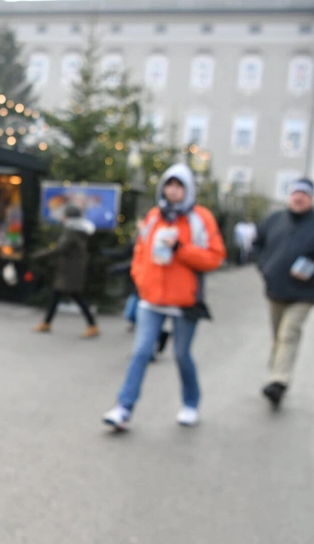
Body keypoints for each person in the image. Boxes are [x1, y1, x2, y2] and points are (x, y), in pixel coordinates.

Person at [103, 164, 225, 430]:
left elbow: (215, 257)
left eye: (179, 185)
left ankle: (191, 403)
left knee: (182, 355)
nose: (173, 190)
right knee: (141, 352)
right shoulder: (153, 216)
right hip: (152, 298)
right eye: (169, 184)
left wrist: (181, 249)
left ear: (188, 188)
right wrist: (140, 278)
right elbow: (140, 251)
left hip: (184, 301)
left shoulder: (200, 218)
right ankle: (123, 407)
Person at [254, 178, 314, 407]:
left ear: (311, 199)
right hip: (275, 289)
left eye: (304, 194)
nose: (299, 198)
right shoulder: (274, 220)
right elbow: (257, 244)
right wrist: (265, 266)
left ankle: (279, 380)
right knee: (278, 336)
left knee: (289, 333)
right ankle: (275, 373)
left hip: (304, 292)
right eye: (295, 193)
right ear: (289, 196)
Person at [32, 205, 100, 338]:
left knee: (76, 297)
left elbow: (61, 249)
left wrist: (40, 254)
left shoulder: (72, 231)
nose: (63, 217)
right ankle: (46, 323)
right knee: (56, 296)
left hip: (70, 271)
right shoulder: (79, 230)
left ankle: (92, 326)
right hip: (71, 270)